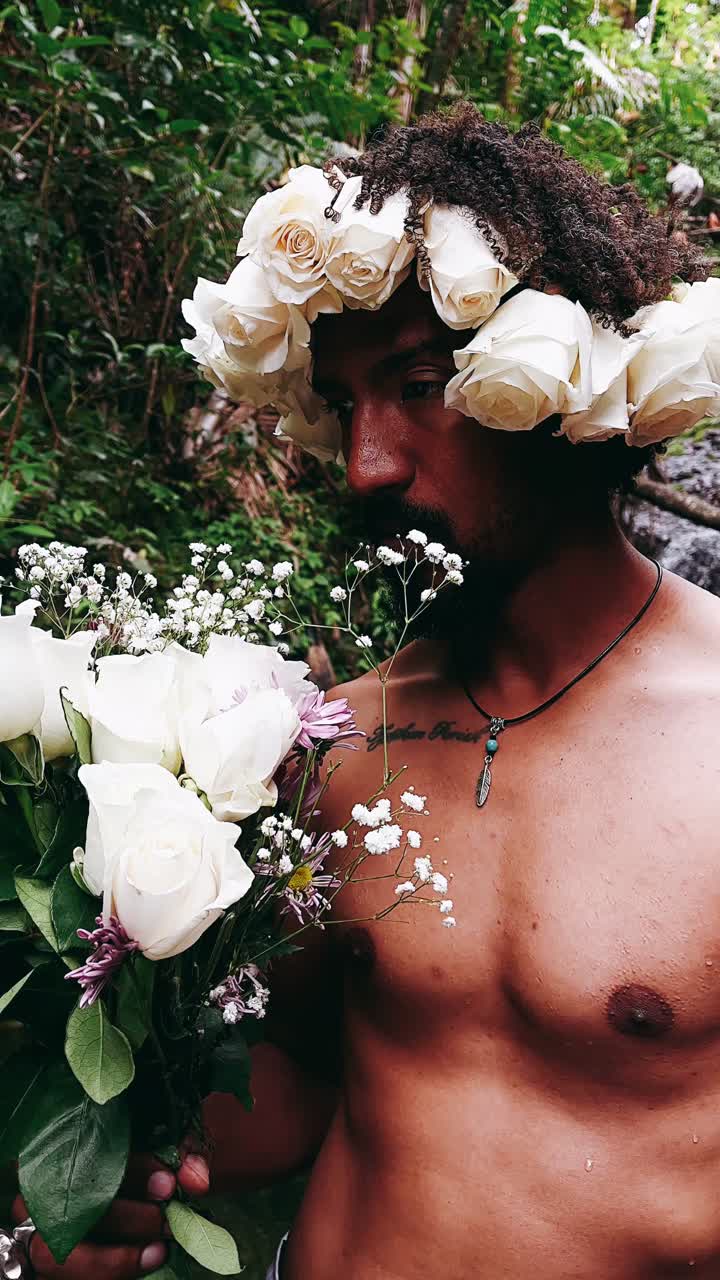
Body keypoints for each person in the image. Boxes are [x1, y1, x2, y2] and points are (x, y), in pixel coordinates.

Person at [12, 103, 720, 1280]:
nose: (366, 463)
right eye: (345, 404)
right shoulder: (345, 743)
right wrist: (108, 1167)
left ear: (550, 391)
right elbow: (311, 1065)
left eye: (420, 383)